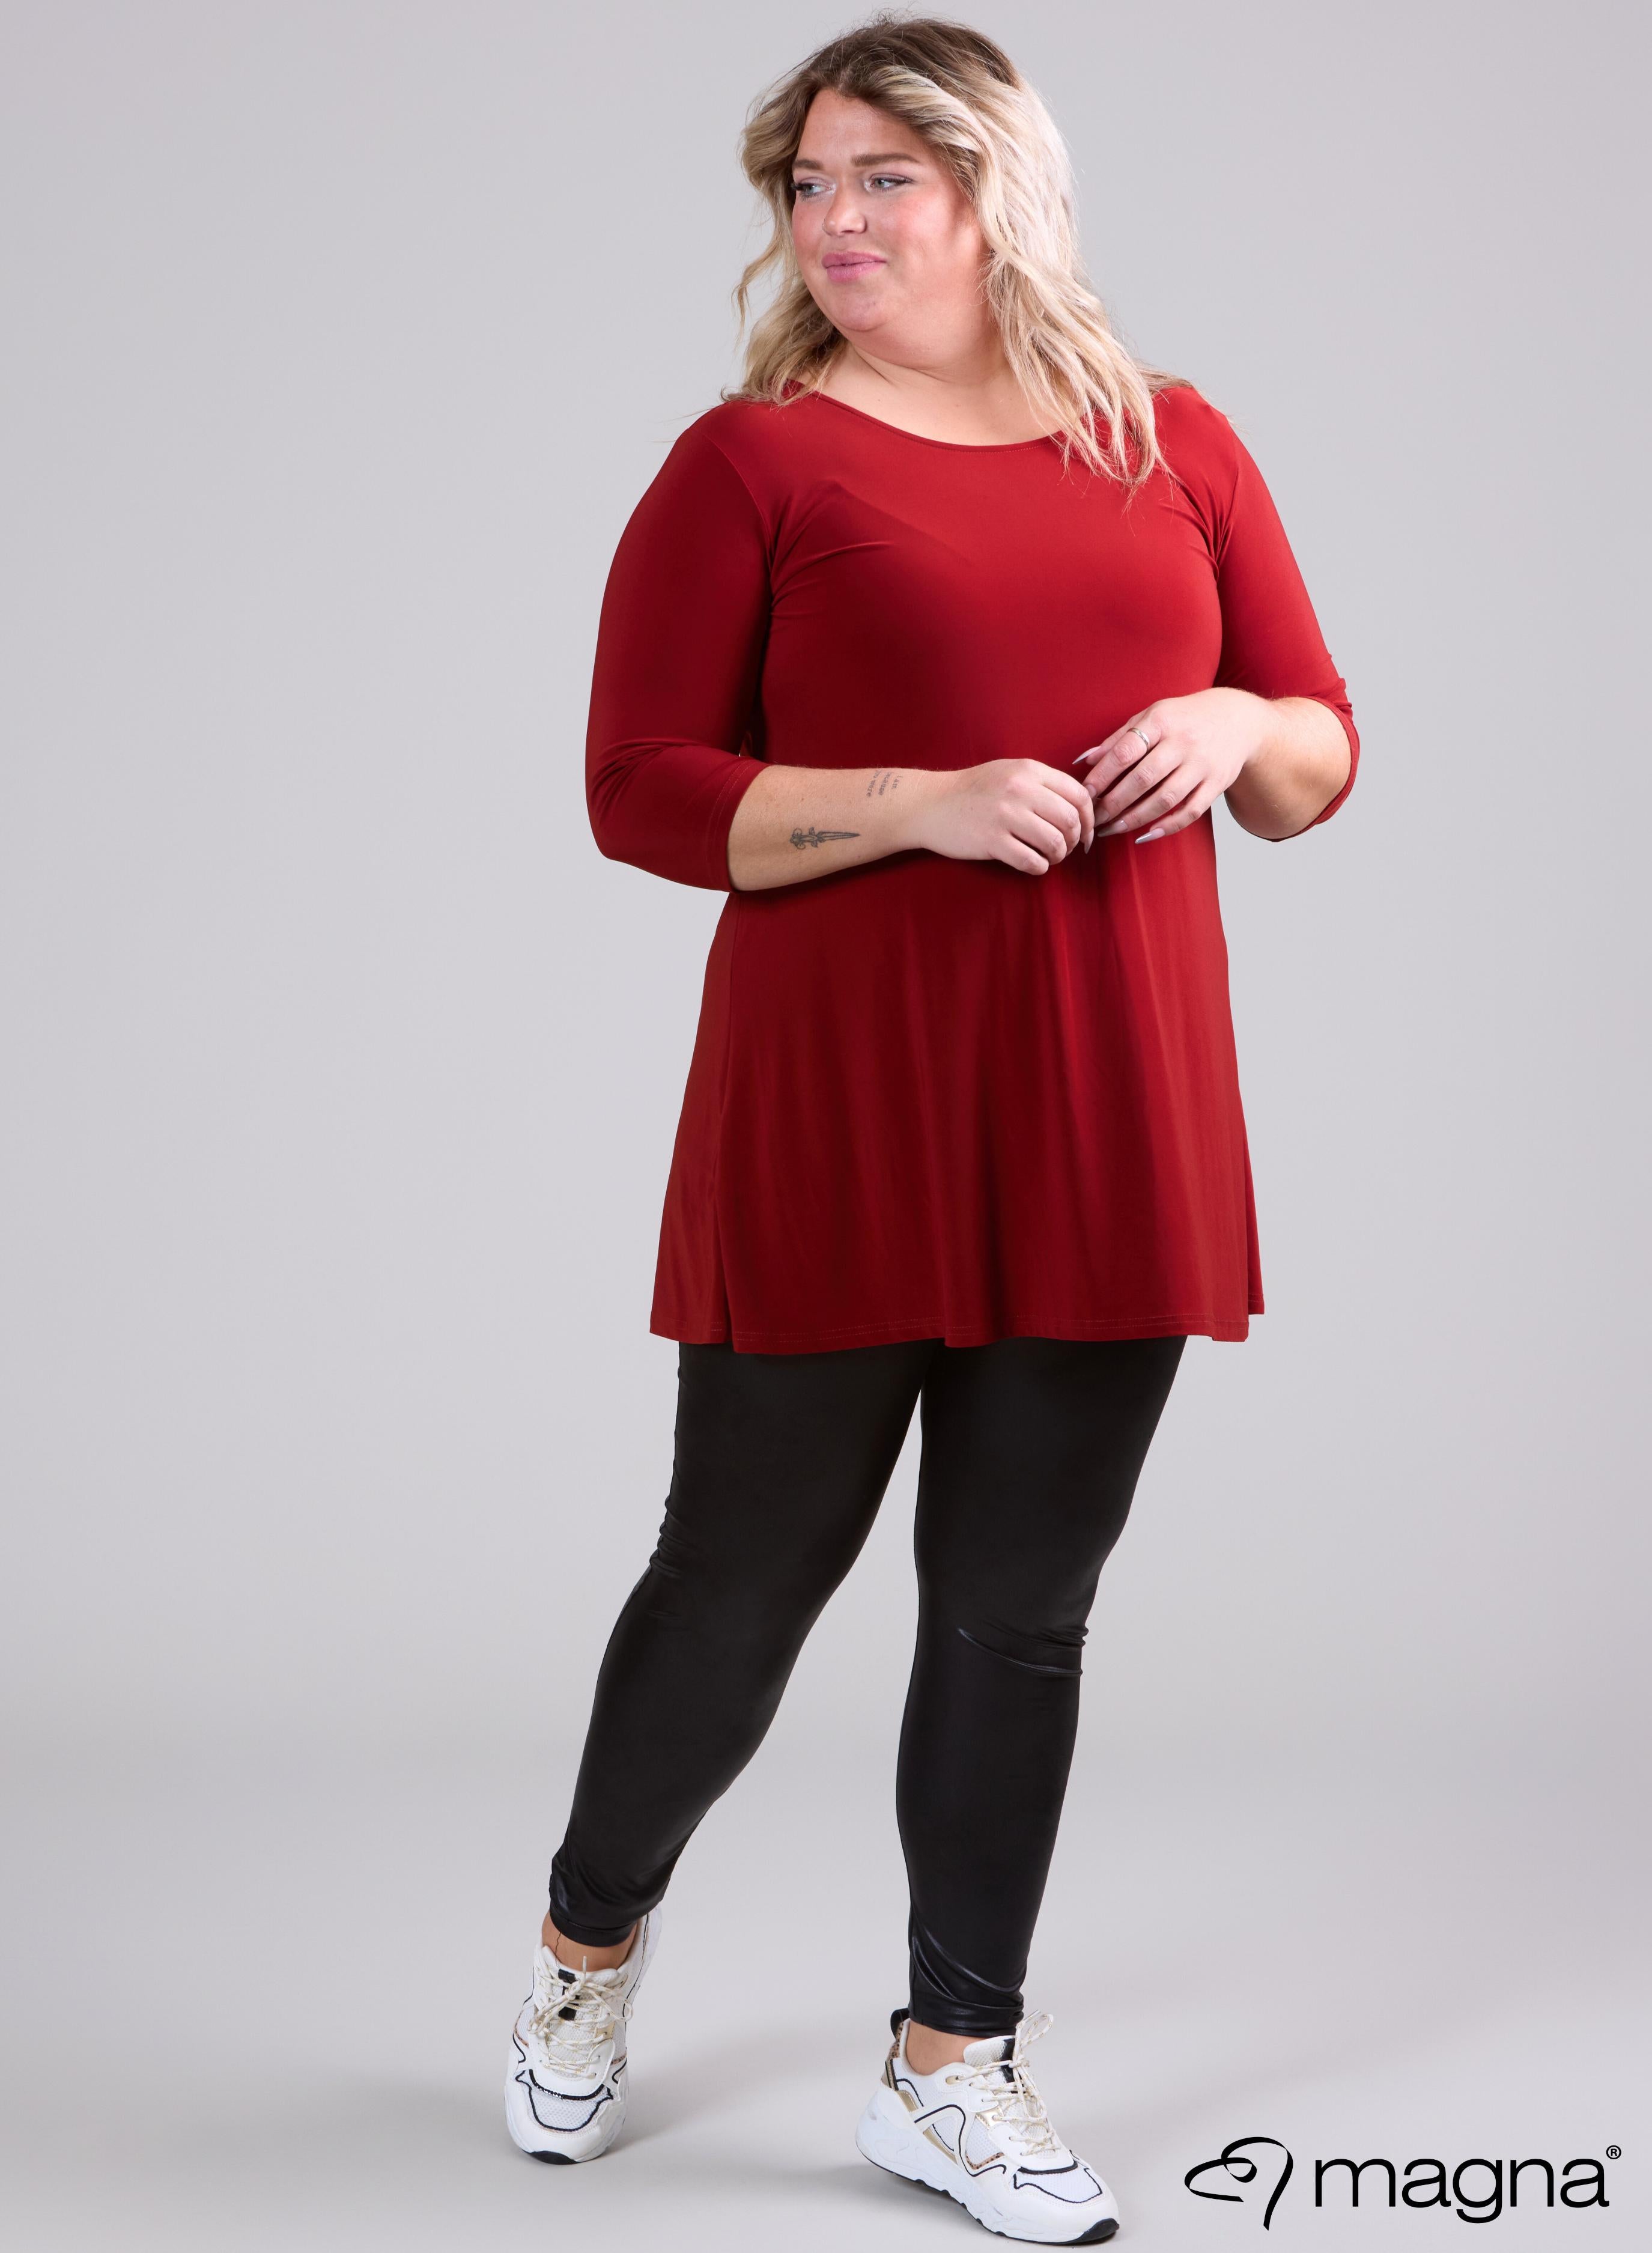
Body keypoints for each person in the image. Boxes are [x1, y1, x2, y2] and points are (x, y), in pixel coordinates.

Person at [504, 16, 1358, 2245]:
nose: (836, 219)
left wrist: (1231, 713)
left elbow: (1318, 753)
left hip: (1110, 1101)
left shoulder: (1178, 441)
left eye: (885, 175)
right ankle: (586, 1949)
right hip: (845, 1100)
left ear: (1000, 191)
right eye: (807, 183)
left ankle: (951, 2064)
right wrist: (915, 801)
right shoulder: (753, 466)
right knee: (738, 1587)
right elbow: (637, 791)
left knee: (1019, 1610)